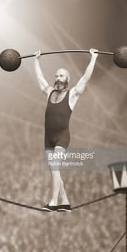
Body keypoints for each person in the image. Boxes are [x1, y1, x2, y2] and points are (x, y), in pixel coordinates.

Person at [34, 49, 98, 212]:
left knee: (55, 167)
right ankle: (65, 201)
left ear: (68, 79)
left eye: (61, 76)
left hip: (62, 137)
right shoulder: (49, 92)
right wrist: (36, 60)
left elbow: (85, 78)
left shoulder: (72, 94)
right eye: (56, 76)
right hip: (48, 137)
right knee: (54, 171)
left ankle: (54, 202)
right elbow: (40, 79)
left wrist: (93, 58)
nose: (57, 79)